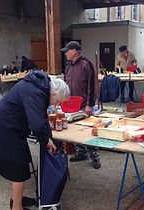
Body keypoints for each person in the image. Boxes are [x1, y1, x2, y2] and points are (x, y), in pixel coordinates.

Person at [0, 70, 70, 210]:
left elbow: (41, 118)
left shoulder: (39, 88)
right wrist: (46, 140)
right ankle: (16, 207)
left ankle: (17, 200)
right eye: (58, 102)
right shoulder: (36, 92)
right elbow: (37, 123)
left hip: (8, 126)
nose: (56, 106)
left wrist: (48, 138)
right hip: (4, 127)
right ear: (54, 94)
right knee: (19, 169)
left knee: (19, 168)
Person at [62, 41, 101, 169]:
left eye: (67, 51)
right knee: (74, 132)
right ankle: (81, 153)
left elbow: (93, 85)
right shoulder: (68, 66)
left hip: (84, 105)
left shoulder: (87, 64)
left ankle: (94, 156)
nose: (65, 53)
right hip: (71, 106)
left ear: (74, 51)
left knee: (88, 132)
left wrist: (90, 104)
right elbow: (65, 85)